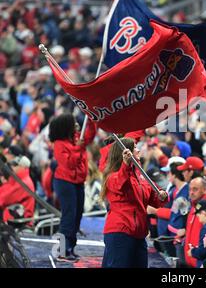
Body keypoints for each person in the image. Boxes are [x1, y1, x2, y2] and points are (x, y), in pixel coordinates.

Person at [101, 138, 168, 268]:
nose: (138, 150)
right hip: (120, 231)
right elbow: (121, 184)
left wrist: (161, 196)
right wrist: (125, 166)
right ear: (126, 153)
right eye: (135, 147)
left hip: (139, 233)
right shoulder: (113, 176)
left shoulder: (141, 176)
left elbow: (154, 198)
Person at [49, 114, 97, 262]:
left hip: (78, 182)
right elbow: (69, 163)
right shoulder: (59, 144)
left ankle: (70, 248)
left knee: (77, 216)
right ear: (65, 126)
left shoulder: (76, 137)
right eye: (73, 123)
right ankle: (62, 251)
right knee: (68, 216)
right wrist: (79, 147)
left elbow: (90, 135)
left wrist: (92, 120)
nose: (77, 124)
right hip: (64, 182)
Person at [0, 155, 35, 225]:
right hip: (12, 220)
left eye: (15, 165)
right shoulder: (17, 180)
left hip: (19, 223)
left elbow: (4, 198)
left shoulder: (24, 183)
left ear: (24, 167)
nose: (12, 168)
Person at [187, 199, 206, 268]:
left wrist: (192, 251)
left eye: (198, 215)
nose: (198, 218)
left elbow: (203, 252)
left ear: (204, 213)